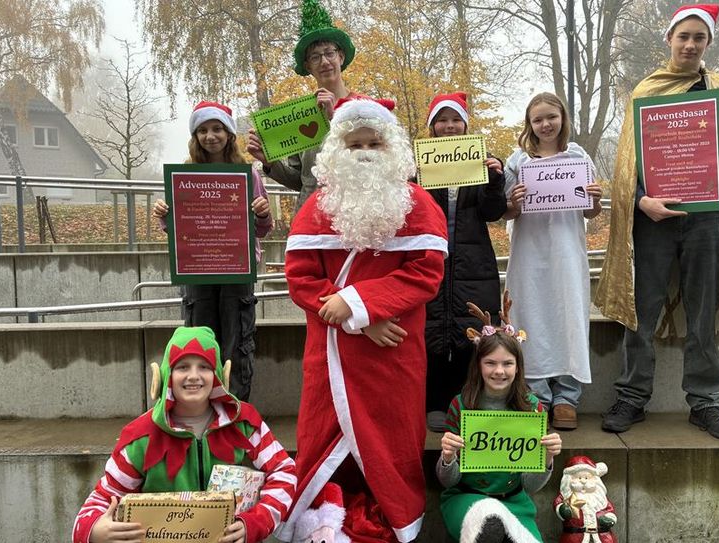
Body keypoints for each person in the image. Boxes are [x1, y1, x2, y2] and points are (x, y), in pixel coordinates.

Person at [279, 97, 448, 543]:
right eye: (356, 144)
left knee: (391, 440)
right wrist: (352, 315)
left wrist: (359, 305)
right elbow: (301, 277)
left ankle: (391, 522)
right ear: (339, 149)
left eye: (375, 142)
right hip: (332, 349)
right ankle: (322, 519)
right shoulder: (317, 206)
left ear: (391, 147)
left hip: (393, 350)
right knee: (324, 436)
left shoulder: (419, 204)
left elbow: (425, 272)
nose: (367, 151)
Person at [595, 4, 719, 442]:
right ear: (669, 39)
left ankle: (706, 402)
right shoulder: (647, 90)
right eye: (683, 36)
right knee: (640, 309)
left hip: (705, 218)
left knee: (702, 312)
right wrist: (642, 201)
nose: (689, 44)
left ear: (708, 43)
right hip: (652, 218)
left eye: (698, 38)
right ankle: (632, 395)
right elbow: (629, 162)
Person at [72, 326, 297, 543]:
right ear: (164, 375)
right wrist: (94, 531)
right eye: (182, 367)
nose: (193, 376)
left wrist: (258, 521)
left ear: (219, 374)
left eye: (204, 367)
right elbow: (100, 501)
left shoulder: (244, 421)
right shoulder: (140, 437)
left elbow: (284, 470)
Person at [153, 101, 272, 402]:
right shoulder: (185, 174)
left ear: (229, 134)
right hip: (197, 270)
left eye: (217, 129)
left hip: (237, 267)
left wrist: (261, 214)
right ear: (195, 137)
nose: (211, 136)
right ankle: (199, 408)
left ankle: (236, 409)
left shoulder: (248, 175)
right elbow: (181, 232)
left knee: (237, 341)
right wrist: (165, 216)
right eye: (203, 130)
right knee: (198, 340)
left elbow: (262, 230)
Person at [502, 92, 603, 430]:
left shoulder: (577, 157)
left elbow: (589, 210)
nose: (545, 124)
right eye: (537, 119)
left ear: (562, 118)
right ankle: (537, 394)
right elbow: (505, 212)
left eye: (551, 117)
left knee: (568, 316)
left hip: (566, 251)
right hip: (529, 252)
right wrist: (514, 202)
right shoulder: (518, 160)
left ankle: (567, 397)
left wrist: (596, 199)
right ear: (529, 124)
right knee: (528, 315)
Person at [437, 294, 562, 543]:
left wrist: (547, 458)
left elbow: (530, 486)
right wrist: (448, 458)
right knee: (487, 520)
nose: (499, 371)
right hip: (467, 498)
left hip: (515, 501)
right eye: (490, 363)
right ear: (479, 365)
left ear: (518, 367)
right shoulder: (461, 405)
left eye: (507, 363)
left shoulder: (533, 408)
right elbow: (447, 481)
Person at [423, 92, 508, 432]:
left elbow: (493, 212)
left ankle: (467, 401)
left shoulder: (483, 164)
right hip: (433, 259)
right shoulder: (423, 165)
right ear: (432, 128)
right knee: (432, 328)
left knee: (469, 331)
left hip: (473, 264)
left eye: (455, 120)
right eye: (441, 121)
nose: (448, 126)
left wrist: (495, 180)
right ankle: (435, 401)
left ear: (465, 125)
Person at [247, 0, 359, 212]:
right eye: (315, 57)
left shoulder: (366, 108)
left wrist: (334, 118)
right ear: (307, 66)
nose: (324, 61)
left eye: (329, 53)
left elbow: (374, 162)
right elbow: (300, 180)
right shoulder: (301, 116)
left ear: (341, 56)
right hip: (311, 222)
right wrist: (270, 161)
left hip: (354, 216)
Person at [553, 456, 617, 543]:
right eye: (579, 478)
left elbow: (610, 510)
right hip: (575, 537)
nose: (583, 481)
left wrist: (609, 518)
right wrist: (563, 510)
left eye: (587, 478)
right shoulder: (566, 496)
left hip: (602, 537)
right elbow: (558, 505)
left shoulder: (600, 498)